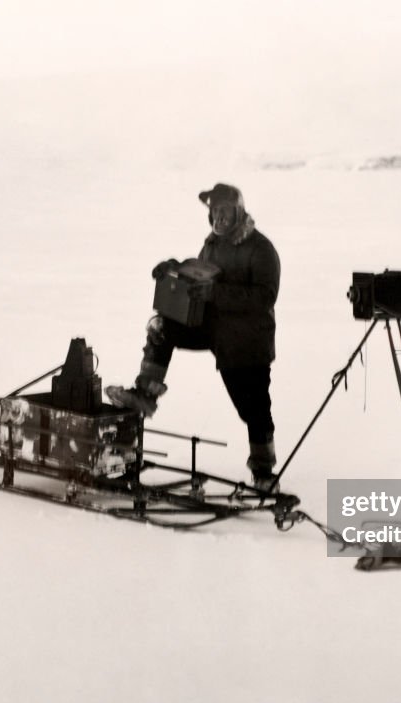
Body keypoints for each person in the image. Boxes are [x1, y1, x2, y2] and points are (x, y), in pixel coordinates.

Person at [106, 183, 281, 490]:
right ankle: (146, 393)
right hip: (212, 329)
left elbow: (264, 298)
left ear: (239, 212)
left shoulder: (261, 249)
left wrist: (217, 293)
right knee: (162, 327)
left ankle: (264, 473)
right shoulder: (212, 244)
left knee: (253, 408)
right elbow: (201, 275)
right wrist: (175, 271)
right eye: (214, 211)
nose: (219, 217)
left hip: (247, 340)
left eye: (225, 211)